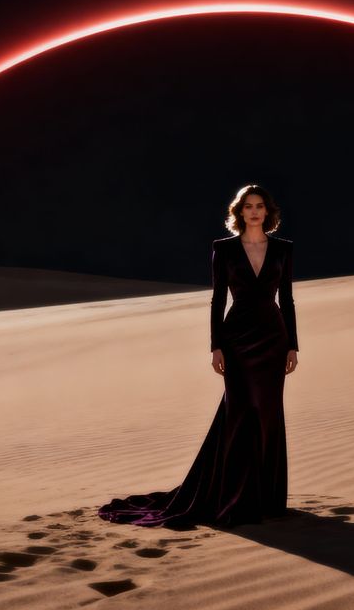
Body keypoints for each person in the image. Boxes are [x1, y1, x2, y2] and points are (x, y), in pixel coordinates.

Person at [97, 184, 299, 528]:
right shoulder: (224, 248)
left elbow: (287, 299)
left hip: (272, 338)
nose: (254, 212)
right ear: (239, 212)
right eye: (248, 206)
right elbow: (218, 299)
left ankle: (266, 497)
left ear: (268, 211)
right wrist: (215, 345)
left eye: (259, 206)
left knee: (267, 414)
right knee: (238, 413)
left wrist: (293, 345)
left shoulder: (283, 249)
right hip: (237, 339)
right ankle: (233, 495)